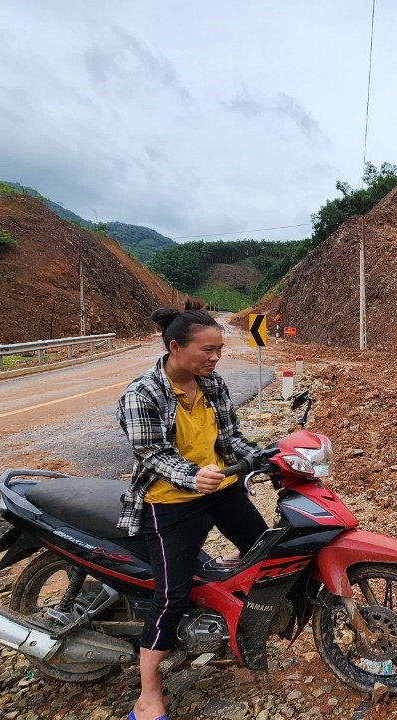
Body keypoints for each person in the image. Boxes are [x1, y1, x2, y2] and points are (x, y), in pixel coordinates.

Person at [116, 301, 269, 720]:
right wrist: (190, 477)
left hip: (221, 488)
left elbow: (231, 437)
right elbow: (153, 454)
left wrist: (264, 456)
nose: (215, 358)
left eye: (219, 349)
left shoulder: (213, 384)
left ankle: (238, 627)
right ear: (175, 346)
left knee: (267, 553)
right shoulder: (141, 394)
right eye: (208, 350)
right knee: (172, 595)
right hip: (170, 502)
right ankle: (148, 695)